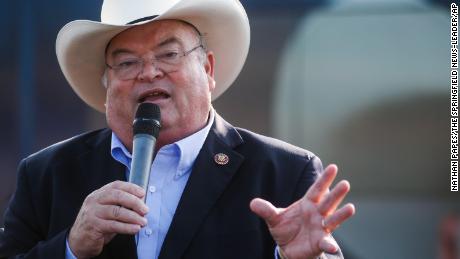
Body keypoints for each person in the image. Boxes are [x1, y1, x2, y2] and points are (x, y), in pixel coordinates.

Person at [0, 0, 355, 258]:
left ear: (208, 68)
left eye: (169, 55)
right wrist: (70, 248)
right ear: (107, 85)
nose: (149, 72)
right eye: (126, 62)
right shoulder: (47, 174)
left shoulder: (285, 173)